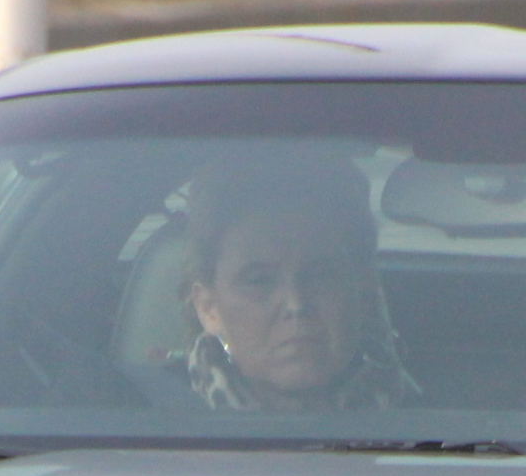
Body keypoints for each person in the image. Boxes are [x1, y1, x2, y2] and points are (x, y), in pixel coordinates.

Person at [180, 150, 421, 410]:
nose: (296, 304)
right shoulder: (153, 422)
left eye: (320, 276)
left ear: (363, 292)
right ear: (208, 308)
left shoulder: (430, 429)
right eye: (259, 280)